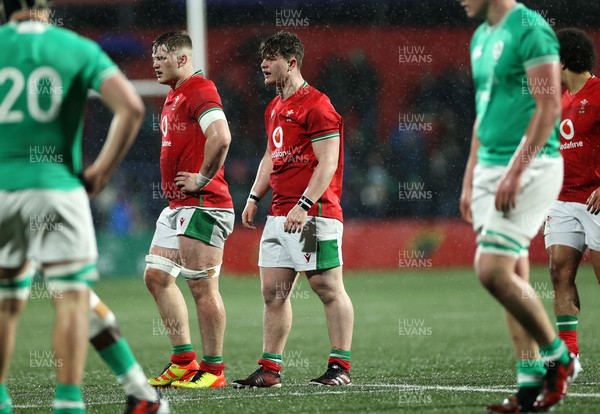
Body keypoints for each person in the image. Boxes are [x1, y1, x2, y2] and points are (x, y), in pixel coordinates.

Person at [0, 1, 168, 413]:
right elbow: (130, 108)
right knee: (72, 296)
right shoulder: (74, 47)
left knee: (6, 300)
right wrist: (101, 172)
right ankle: (72, 404)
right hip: (58, 186)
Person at [458, 0, 580, 412]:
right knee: (510, 272)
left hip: (531, 165)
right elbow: (484, 112)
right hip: (489, 167)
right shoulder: (481, 36)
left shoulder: (530, 28)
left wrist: (514, 172)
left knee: (490, 269)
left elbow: (548, 107)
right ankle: (528, 382)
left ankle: (559, 358)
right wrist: (471, 171)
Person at [233, 31, 354, 388]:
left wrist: (305, 204)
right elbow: (272, 155)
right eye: (261, 59)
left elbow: (328, 162)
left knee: (328, 288)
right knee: (273, 294)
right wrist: (255, 196)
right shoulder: (274, 107)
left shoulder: (318, 105)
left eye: (270, 58)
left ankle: (339, 368)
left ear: (291, 62)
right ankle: (270, 369)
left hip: (313, 215)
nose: (263, 65)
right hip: (278, 215)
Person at [144, 31, 234, 390]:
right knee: (157, 277)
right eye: (153, 58)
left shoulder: (199, 89)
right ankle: (183, 361)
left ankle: (213, 371)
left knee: (202, 287)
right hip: (177, 206)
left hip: (203, 204)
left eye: (161, 58)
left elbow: (222, 135)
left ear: (182, 59)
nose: (154, 64)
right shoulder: (174, 96)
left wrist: (202, 178)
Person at [544, 28, 600, 359]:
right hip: (564, 200)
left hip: (595, 199)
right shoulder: (560, 101)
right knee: (559, 271)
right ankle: (569, 353)